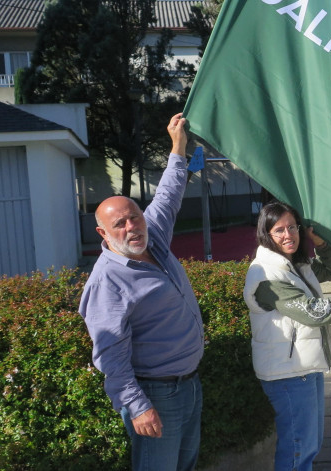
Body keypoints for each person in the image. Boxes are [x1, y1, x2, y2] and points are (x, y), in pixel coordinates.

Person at [79, 113, 204, 471]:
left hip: (190, 385)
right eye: (120, 224)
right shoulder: (108, 281)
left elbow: (168, 193)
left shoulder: (154, 237)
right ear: (104, 234)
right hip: (157, 395)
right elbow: (110, 355)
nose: (132, 226)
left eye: (134, 215)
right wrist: (138, 406)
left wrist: (177, 148)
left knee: (186, 466)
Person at [243, 201, 331, 471]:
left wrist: (320, 243)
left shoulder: (294, 265)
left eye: (292, 227)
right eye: (279, 230)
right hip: (288, 374)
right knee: (298, 449)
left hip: (305, 367)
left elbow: (328, 269)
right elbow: (314, 313)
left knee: (309, 445)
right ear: (266, 234)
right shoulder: (267, 275)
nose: (288, 235)